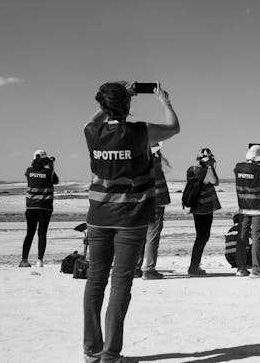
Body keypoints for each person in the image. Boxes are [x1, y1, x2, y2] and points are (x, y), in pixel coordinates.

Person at [82, 81, 180, 363]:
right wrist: (165, 102)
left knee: (95, 282)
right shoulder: (139, 132)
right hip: (131, 218)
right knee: (120, 284)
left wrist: (119, 98)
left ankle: (92, 351)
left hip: (98, 217)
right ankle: (110, 354)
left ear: (102, 106)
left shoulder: (92, 132)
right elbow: (174, 128)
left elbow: (92, 119)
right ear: (128, 107)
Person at [134, 143, 172, 280]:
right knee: (152, 236)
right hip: (155, 202)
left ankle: (135, 267)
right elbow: (168, 168)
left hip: (140, 203)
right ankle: (149, 269)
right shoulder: (155, 162)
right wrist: (158, 155)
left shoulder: (137, 161)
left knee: (141, 236)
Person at [234, 144, 260, 278]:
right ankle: (256, 268)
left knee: (242, 238)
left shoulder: (238, 167)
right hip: (259, 208)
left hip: (243, 208)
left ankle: (241, 268)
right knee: (256, 239)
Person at [20, 149, 59, 268]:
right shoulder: (49, 172)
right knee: (42, 234)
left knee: (29, 233)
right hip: (45, 208)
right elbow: (56, 181)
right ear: (44, 160)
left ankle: (24, 260)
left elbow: (34, 173)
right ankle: (39, 261)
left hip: (31, 207)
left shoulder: (29, 171)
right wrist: (51, 165)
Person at [186, 148, 221, 276]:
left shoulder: (191, 170)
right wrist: (211, 167)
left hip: (196, 207)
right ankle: (194, 267)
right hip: (204, 208)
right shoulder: (204, 171)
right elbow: (214, 182)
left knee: (200, 236)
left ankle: (194, 265)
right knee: (202, 237)